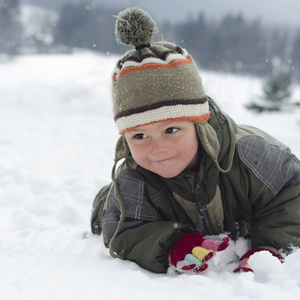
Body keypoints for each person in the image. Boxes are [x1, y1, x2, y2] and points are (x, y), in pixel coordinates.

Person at [91, 7, 300, 274]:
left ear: (199, 123)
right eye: (139, 135)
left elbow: (293, 194)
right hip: (137, 205)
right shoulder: (134, 179)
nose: (157, 148)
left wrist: (269, 248)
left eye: (171, 130)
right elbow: (123, 231)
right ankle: (103, 199)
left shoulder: (251, 155)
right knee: (109, 208)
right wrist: (173, 245)